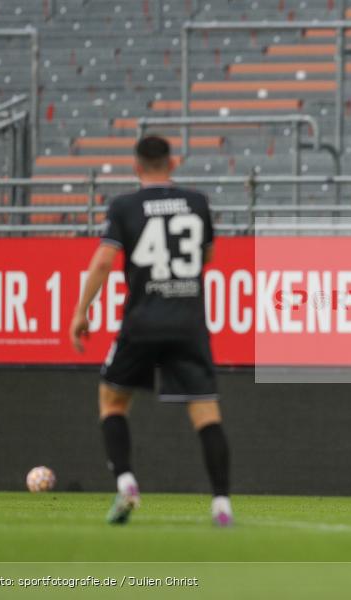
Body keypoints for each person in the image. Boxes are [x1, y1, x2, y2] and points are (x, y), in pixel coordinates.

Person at [69, 136, 232, 526]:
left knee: (112, 401)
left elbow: (104, 262)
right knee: (206, 413)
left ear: (136, 167)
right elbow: (207, 255)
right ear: (172, 163)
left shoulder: (125, 206)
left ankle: (126, 482)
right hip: (188, 322)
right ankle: (222, 505)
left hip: (141, 321)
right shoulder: (197, 203)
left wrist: (81, 311)